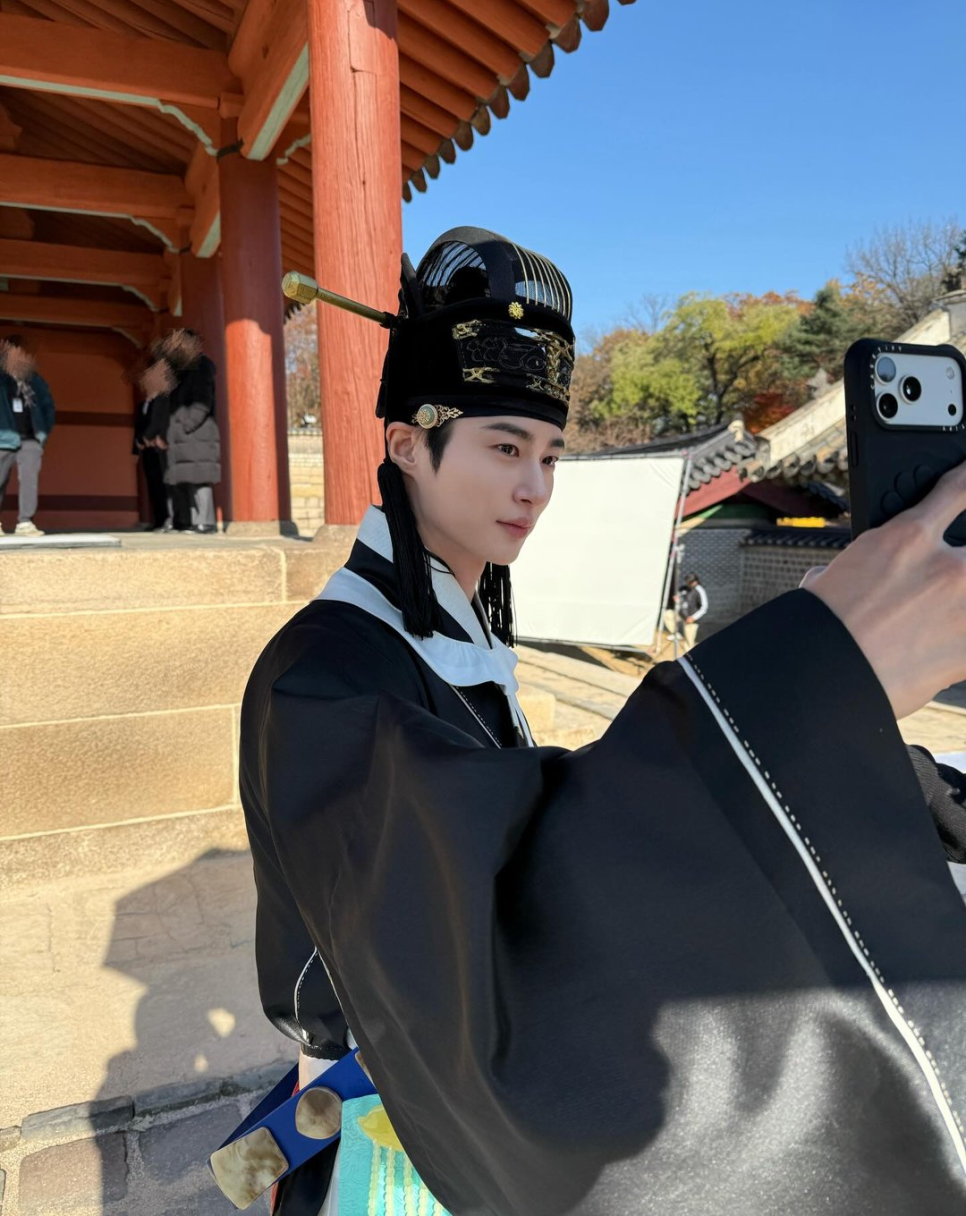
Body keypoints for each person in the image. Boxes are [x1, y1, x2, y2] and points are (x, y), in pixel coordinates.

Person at [234, 228, 966, 1216]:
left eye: (549, 454)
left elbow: (529, 813)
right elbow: (481, 930)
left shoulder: (455, 622)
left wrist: (881, 771)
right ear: (406, 445)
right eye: (504, 448)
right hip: (394, 1104)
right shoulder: (323, 677)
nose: (534, 486)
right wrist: (807, 689)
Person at [154, 328, 220, 534]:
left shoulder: (201, 366)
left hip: (197, 434)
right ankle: (184, 521)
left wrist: (187, 424)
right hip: (179, 434)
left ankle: (205, 522)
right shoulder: (179, 371)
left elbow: (203, 401)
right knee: (180, 479)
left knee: (199, 478)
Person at [0, 334, 55, 537]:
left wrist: (43, 433)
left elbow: (48, 407)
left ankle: (25, 522)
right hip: (3, 438)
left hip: (30, 438)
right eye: (15, 353)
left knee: (29, 481)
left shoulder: (35, 381)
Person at [133, 357, 174, 532]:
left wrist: (151, 436)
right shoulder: (143, 404)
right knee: (152, 485)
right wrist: (137, 444)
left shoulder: (163, 399)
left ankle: (167, 519)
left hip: (159, 447)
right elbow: (139, 427)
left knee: (163, 484)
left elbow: (160, 422)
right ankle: (157, 520)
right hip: (146, 450)